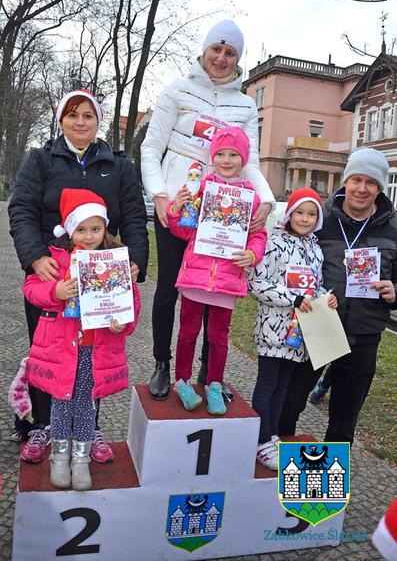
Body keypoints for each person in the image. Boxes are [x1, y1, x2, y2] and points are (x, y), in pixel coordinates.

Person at [8, 89, 148, 463]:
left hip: (103, 273)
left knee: (96, 350)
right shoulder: (41, 159)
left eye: (88, 115)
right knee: (48, 349)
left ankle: (90, 425)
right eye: (73, 115)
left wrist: (133, 260)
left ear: (98, 120)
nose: (80, 122)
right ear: (61, 120)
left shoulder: (118, 165)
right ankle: (41, 424)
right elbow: (21, 209)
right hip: (53, 270)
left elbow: (134, 215)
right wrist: (35, 258)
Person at [141, 19, 275, 401]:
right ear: (204, 50)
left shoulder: (246, 105)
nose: (221, 58)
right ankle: (163, 364)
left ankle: (207, 370)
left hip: (223, 211)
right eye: (216, 49)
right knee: (169, 286)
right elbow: (151, 149)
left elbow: (251, 161)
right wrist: (160, 197)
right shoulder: (177, 90)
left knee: (214, 288)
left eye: (230, 53)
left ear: (237, 59)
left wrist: (264, 199)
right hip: (178, 207)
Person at [22, 189, 140, 489]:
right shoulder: (56, 259)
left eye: (96, 229)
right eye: (82, 229)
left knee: (87, 404)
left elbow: (131, 302)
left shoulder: (115, 261)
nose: (89, 236)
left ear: (105, 229)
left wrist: (121, 324)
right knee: (61, 403)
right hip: (62, 349)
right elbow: (31, 289)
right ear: (70, 229)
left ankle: (81, 458)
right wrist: (56, 293)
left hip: (93, 349)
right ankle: (59, 458)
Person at [278, 148, 396, 444]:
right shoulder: (319, 219)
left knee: (342, 423)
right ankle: (276, 477)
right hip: (315, 328)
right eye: (356, 179)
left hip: (364, 336)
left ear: (379, 188)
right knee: (289, 407)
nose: (362, 188)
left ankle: (322, 490)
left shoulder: (393, 228)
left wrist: (395, 292)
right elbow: (282, 255)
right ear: (345, 182)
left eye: (370, 182)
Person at [167, 127, 266, 414]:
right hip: (196, 275)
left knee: (218, 337)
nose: (226, 159)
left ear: (243, 158)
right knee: (187, 333)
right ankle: (182, 382)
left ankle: (214, 383)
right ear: (212, 157)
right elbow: (184, 232)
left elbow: (257, 235)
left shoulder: (252, 197)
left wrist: (252, 254)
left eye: (233, 154)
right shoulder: (200, 189)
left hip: (226, 278)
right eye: (220, 154)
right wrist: (176, 209)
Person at [248, 188, 337, 470]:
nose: (305, 218)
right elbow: (257, 285)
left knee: (283, 386)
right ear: (289, 214)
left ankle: (272, 433)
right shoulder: (274, 244)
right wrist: (294, 299)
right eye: (300, 212)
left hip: (301, 332)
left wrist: (326, 296)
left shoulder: (316, 249)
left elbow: (315, 285)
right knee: (267, 383)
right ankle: (260, 440)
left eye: (312, 214)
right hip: (274, 328)